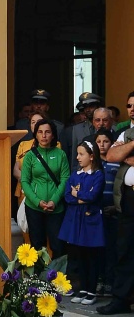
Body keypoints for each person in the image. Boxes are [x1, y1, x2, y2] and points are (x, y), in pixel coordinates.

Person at [59, 140, 105, 306]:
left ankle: (91, 291)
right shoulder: (75, 174)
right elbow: (67, 195)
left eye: (81, 154)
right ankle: (82, 289)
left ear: (91, 156)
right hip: (76, 220)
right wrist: (81, 197)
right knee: (79, 255)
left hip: (90, 221)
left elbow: (93, 196)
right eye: (77, 154)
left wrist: (78, 193)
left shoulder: (98, 174)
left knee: (91, 256)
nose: (77, 157)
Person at [97, 124, 134, 314]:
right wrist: (132, 144)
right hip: (128, 198)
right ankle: (121, 299)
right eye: (130, 108)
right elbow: (112, 156)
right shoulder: (126, 133)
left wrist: (127, 155)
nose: (132, 110)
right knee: (124, 250)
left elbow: (121, 156)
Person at [20, 119, 70, 258]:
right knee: (37, 246)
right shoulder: (30, 156)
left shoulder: (61, 155)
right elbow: (25, 181)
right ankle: (38, 273)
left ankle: (57, 272)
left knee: (58, 246)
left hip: (56, 208)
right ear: (35, 135)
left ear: (53, 135)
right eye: (40, 132)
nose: (44, 136)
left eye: (47, 132)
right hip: (34, 207)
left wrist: (54, 200)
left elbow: (65, 179)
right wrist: (37, 201)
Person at [95, 128, 118, 297]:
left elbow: (121, 188)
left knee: (112, 248)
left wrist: (116, 207)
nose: (102, 145)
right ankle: (99, 280)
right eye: (98, 142)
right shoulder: (93, 164)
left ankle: (110, 281)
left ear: (112, 143)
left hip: (113, 212)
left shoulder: (117, 163)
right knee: (98, 249)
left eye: (106, 141)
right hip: (96, 212)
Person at [66, 92, 104, 165]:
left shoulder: (109, 127)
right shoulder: (77, 129)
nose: (88, 110)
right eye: (85, 107)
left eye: (91, 106)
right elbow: (74, 156)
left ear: (98, 107)